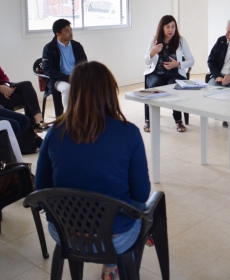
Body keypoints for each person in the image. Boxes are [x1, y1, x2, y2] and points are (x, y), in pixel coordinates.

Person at [35, 61, 150, 280]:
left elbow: (41, 187)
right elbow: (141, 194)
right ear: (109, 92)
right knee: (146, 207)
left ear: (74, 92)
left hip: (64, 231)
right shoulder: (129, 134)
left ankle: (110, 263)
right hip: (115, 235)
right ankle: (115, 263)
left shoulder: (55, 131)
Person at [0, 29, 48, 131]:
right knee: (28, 98)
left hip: (1, 86)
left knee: (27, 85)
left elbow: (3, 75)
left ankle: (38, 120)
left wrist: (6, 85)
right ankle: (34, 128)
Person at [143, 15, 194, 133]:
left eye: (173, 27)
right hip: (157, 73)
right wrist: (152, 52)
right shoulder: (154, 40)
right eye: (168, 27)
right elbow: (146, 61)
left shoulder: (181, 41)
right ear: (162, 28)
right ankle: (148, 119)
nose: (171, 30)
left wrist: (178, 64)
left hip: (175, 74)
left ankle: (178, 119)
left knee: (174, 87)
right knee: (153, 86)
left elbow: (191, 60)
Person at [42, 19, 87, 113]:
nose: (71, 33)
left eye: (71, 29)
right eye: (67, 31)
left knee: (96, 84)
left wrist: (80, 76)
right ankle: (67, 119)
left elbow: (84, 64)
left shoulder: (77, 46)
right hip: (58, 79)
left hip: (76, 77)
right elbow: (47, 69)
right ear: (58, 34)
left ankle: (90, 116)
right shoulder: (49, 48)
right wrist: (67, 78)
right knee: (67, 88)